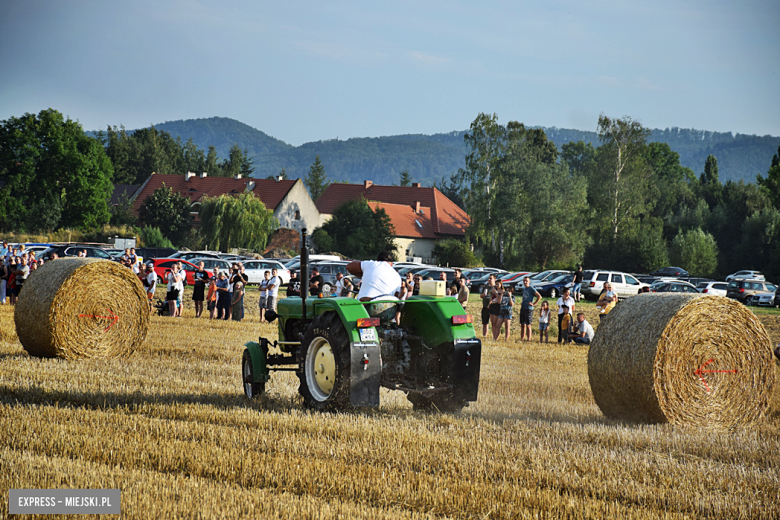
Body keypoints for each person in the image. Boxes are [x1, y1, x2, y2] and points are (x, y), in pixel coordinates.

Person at [519, 277, 541, 342]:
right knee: (522, 324)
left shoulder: (531, 288)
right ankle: (522, 338)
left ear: (529, 281)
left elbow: (539, 296)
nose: (525, 282)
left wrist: (534, 304)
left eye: (526, 281)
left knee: (528, 324)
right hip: (523, 307)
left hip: (528, 308)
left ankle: (528, 339)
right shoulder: (524, 289)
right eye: (524, 281)